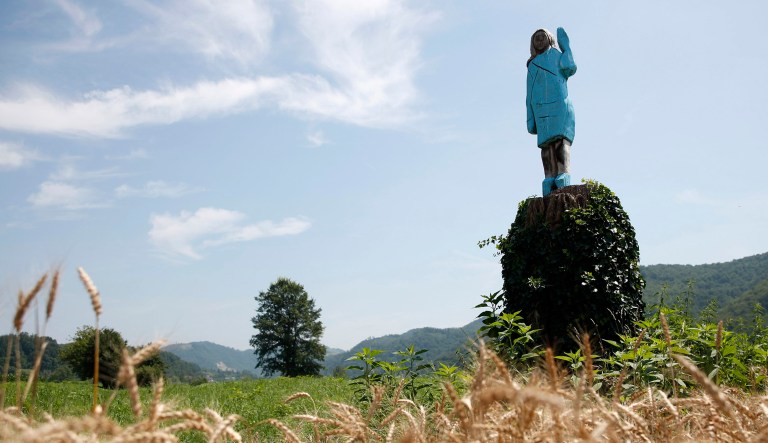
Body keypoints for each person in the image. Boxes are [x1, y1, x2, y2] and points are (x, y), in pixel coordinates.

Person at [526, 27, 577, 196]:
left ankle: (563, 172)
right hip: (540, 107)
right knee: (546, 147)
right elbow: (529, 93)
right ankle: (549, 176)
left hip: (559, 104)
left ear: (549, 38)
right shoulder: (532, 65)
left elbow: (570, 67)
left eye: (543, 37)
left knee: (560, 141)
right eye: (537, 38)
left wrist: (566, 48)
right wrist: (530, 117)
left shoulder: (556, 55)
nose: (540, 40)